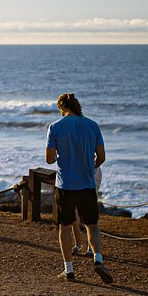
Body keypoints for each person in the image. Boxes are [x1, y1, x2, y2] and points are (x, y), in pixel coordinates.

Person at [46, 93, 113, 283]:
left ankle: (69, 269)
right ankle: (98, 259)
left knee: (65, 227)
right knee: (92, 225)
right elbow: (101, 157)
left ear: (62, 108)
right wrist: (88, 165)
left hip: (65, 184)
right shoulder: (92, 125)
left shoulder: (55, 127)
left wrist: (64, 157)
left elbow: (49, 159)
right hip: (86, 184)